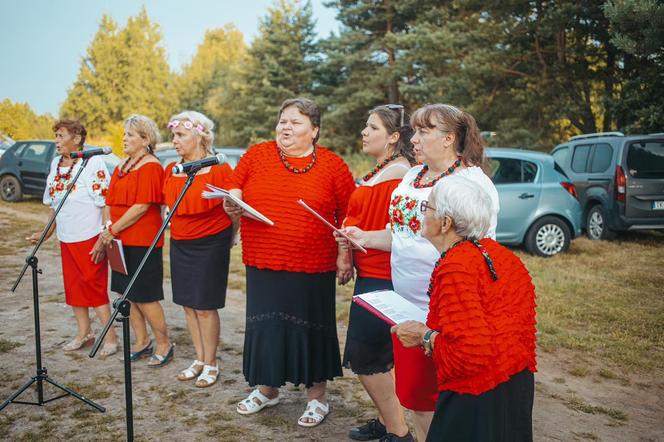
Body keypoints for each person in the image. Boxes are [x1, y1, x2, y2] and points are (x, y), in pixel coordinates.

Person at [341, 104, 500, 441]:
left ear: (449, 138)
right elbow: (400, 233)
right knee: (415, 395)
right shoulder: (413, 175)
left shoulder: (472, 182)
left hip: (447, 307)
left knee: (449, 397)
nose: (414, 139)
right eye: (414, 130)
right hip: (405, 303)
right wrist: (363, 237)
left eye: (424, 131)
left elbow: (481, 251)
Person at [225, 97, 356, 427]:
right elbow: (234, 188)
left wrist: (345, 253)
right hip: (264, 258)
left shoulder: (333, 165)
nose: (286, 127)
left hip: (313, 263)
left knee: (310, 327)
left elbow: (348, 214)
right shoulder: (257, 155)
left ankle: (317, 398)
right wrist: (233, 203)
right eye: (283, 120)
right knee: (267, 325)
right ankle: (267, 389)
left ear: (314, 130)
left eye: (295, 122)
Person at [391, 174, 537, 441]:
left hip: (476, 396)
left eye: (428, 207)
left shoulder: (456, 267)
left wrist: (423, 336)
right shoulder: (502, 255)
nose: (422, 212)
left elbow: (467, 355)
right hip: (514, 385)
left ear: (446, 223)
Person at [338, 105, 415, 442]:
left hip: (385, 276)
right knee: (376, 356)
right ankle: (388, 422)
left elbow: (397, 233)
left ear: (394, 137)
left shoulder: (400, 175)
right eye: (365, 126)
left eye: (372, 128)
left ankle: (399, 431)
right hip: (368, 271)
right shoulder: (380, 170)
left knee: (366, 356)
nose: (364, 133)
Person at [28, 119, 118, 357]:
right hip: (67, 238)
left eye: (60, 135)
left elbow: (105, 202)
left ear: (77, 138)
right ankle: (84, 333)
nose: (56, 141)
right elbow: (54, 206)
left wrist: (103, 236)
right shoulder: (56, 164)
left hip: (90, 237)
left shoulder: (92, 162)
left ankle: (110, 338)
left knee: (94, 287)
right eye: (56, 136)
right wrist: (46, 233)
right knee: (74, 288)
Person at [163, 110, 236, 387]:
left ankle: (211, 362)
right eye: (174, 135)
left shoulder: (219, 169)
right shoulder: (174, 170)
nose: (175, 141)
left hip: (210, 243)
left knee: (204, 306)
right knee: (188, 305)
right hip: (180, 242)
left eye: (180, 135)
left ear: (200, 136)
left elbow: (233, 209)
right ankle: (199, 358)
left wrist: (234, 235)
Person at [95, 114, 172, 367]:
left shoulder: (151, 167)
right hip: (118, 240)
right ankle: (142, 340)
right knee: (126, 294)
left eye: (130, 135)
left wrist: (112, 230)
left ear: (145, 139)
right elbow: (109, 201)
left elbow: (141, 207)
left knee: (145, 295)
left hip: (143, 242)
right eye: (124, 134)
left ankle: (164, 343)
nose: (124, 138)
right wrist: (108, 228)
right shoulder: (121, 165)